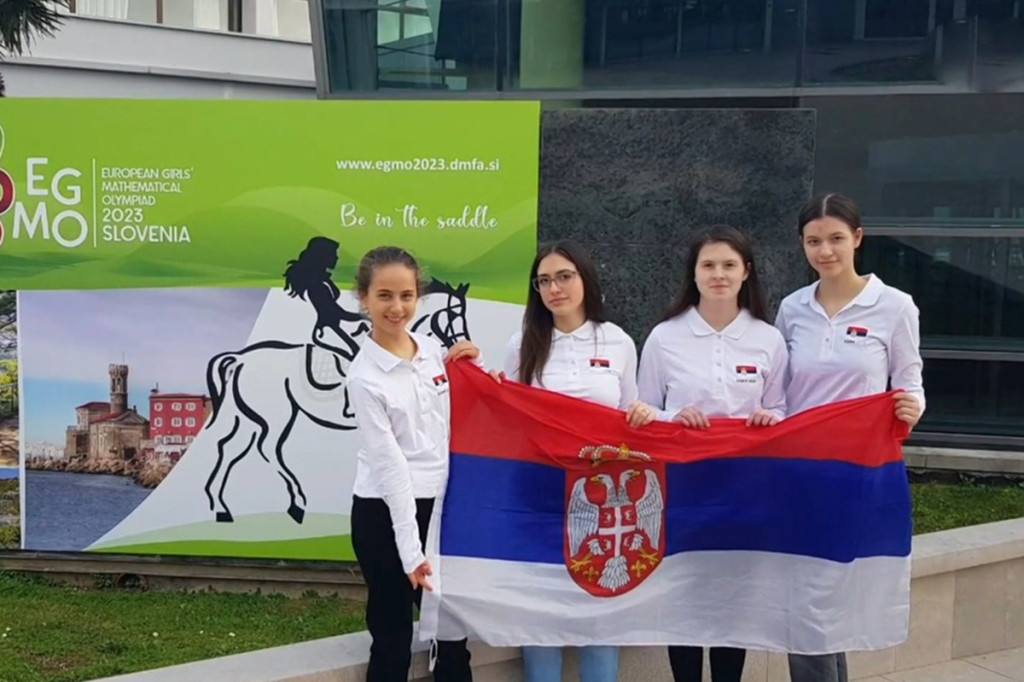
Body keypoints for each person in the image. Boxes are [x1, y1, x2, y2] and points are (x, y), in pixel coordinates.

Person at [490, 239, 656, 682]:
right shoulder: (522, 344)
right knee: (540, 609)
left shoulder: (617, 340)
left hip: (602, 498)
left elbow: (629, 409)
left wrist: (643, 413)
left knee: (600, 607)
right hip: (540, 493)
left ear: (585, 279)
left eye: (564, 277)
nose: (554, 288)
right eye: (544, 281)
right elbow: (508, 417)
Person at [775, 193, 925, 682]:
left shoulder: (894, 306)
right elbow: (777, 387)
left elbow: (909, 380)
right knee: (806, 596)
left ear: (857, 238)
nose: (825, 251)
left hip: (857, 473)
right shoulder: (792, 308)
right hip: (799, 472)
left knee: (831, 594)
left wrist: (911, 407)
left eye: (836, 238)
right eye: (813, 241)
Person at [636, 224, 788, 682]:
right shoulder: (665, 337)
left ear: (746, 272)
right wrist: (673, 417)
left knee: (732, 600)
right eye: (708, 265)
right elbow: (642, 411)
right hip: (682, 488)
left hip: (744, 489)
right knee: (683, 596)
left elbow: (782, 408)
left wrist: (769, 417)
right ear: (694, 273)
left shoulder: (768, 338)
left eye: (728, 265)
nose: (718, 274)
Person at [346, 245, 479, 682]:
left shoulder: (432, 351)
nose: (397, 307)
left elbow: (458, 416)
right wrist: (411, 553)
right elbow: (390, 469)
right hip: (384, 515)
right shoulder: (364, 377)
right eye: (384, 296)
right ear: (364, 298)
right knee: (392, 635)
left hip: (439, 511)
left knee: (452, 633)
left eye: (406, 295)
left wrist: (476, 369)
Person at [284, 236, 368, 361]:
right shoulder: (317, 285)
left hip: (334, 326)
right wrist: (366, 316)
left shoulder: (324, 280)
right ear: (323, 256)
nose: (337, 258)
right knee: (356, 356)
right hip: (327, 330)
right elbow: (338, 313)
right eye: (334, 254)